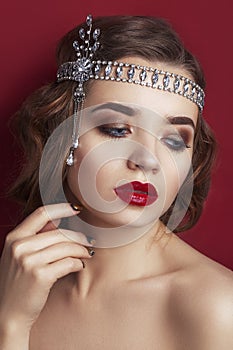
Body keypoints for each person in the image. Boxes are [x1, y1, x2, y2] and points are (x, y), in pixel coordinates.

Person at [0, 14, 232, 350]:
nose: (148, 159)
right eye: (117, 130)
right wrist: (11, 322)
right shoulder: (18, 284)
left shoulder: (216, 308)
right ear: (62, 134)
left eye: (174, 140)